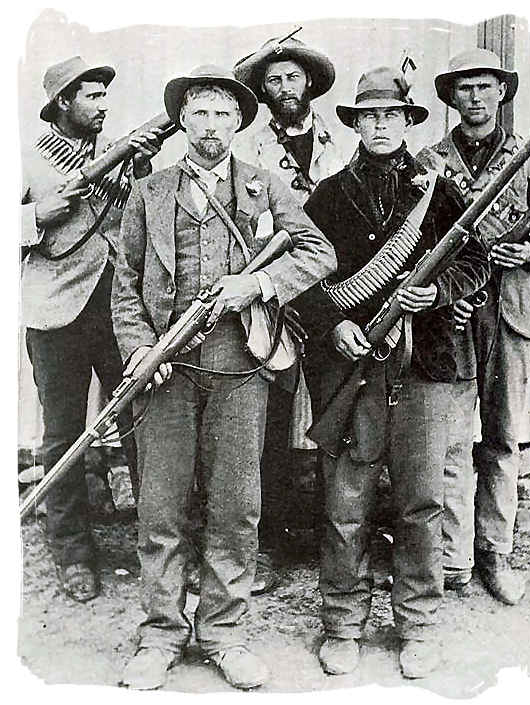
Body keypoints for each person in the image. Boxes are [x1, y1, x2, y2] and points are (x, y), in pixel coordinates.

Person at [113, 65, 336, 691]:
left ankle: (223, 633)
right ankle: (160, 633)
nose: (210, 126)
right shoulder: (149, 191)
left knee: (237, 509)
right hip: (167, 373)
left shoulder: (267, 187)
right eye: (199, 113)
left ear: (240, 122)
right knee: (160, 508)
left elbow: (319, 253)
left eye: (222, 114)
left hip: (241, 370)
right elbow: (126, 284)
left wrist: (257, 284)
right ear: (183, 121)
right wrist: (137, 351)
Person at [296, 66, 490, 679]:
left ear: (408, 122)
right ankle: (342, 622)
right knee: (346, 501)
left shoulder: (442, 190)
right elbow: (302, 281)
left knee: (421, 502)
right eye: (369, 116)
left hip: (428, 367)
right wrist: (335, 327)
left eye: (391, 116)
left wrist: (435, 298)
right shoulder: (327, 195)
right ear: (355, 124)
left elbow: (477, 264)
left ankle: (420, 624)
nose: (381, 125)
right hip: (353, 371)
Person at [21, 56, 162, 603]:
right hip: (56, 311)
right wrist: (37, 216)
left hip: (117, 307)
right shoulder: (27, 159)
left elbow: (136, 218)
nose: (103, 106)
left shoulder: (117, 156)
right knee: (62, 437)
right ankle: (72, 553)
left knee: (141, 426)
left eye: (105, 96)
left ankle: (159, 546)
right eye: (91, 97)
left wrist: (142, 171)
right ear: (63, 103)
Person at [417, 49, 530, 604]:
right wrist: (443, 300)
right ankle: (453, 557)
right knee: (451, 443)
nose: (475, 98)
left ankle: (496, 552)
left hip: (508, 312)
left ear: (502, 93)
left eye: (485, 87)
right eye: (464, 89)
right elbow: (415, 244)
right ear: (451, 98)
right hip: (454, 318)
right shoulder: (429, 161)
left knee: (503, 436)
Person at [233, 34, 344, 552]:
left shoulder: (339, 145)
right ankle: (272, 534)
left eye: (292, 78)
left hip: (334, 296)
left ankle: (332, 533)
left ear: (310, 84)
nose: (284, 88)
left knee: (334, 408)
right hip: (272, 296)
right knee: (273, 420)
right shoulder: (246, 148)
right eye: (273, 80)